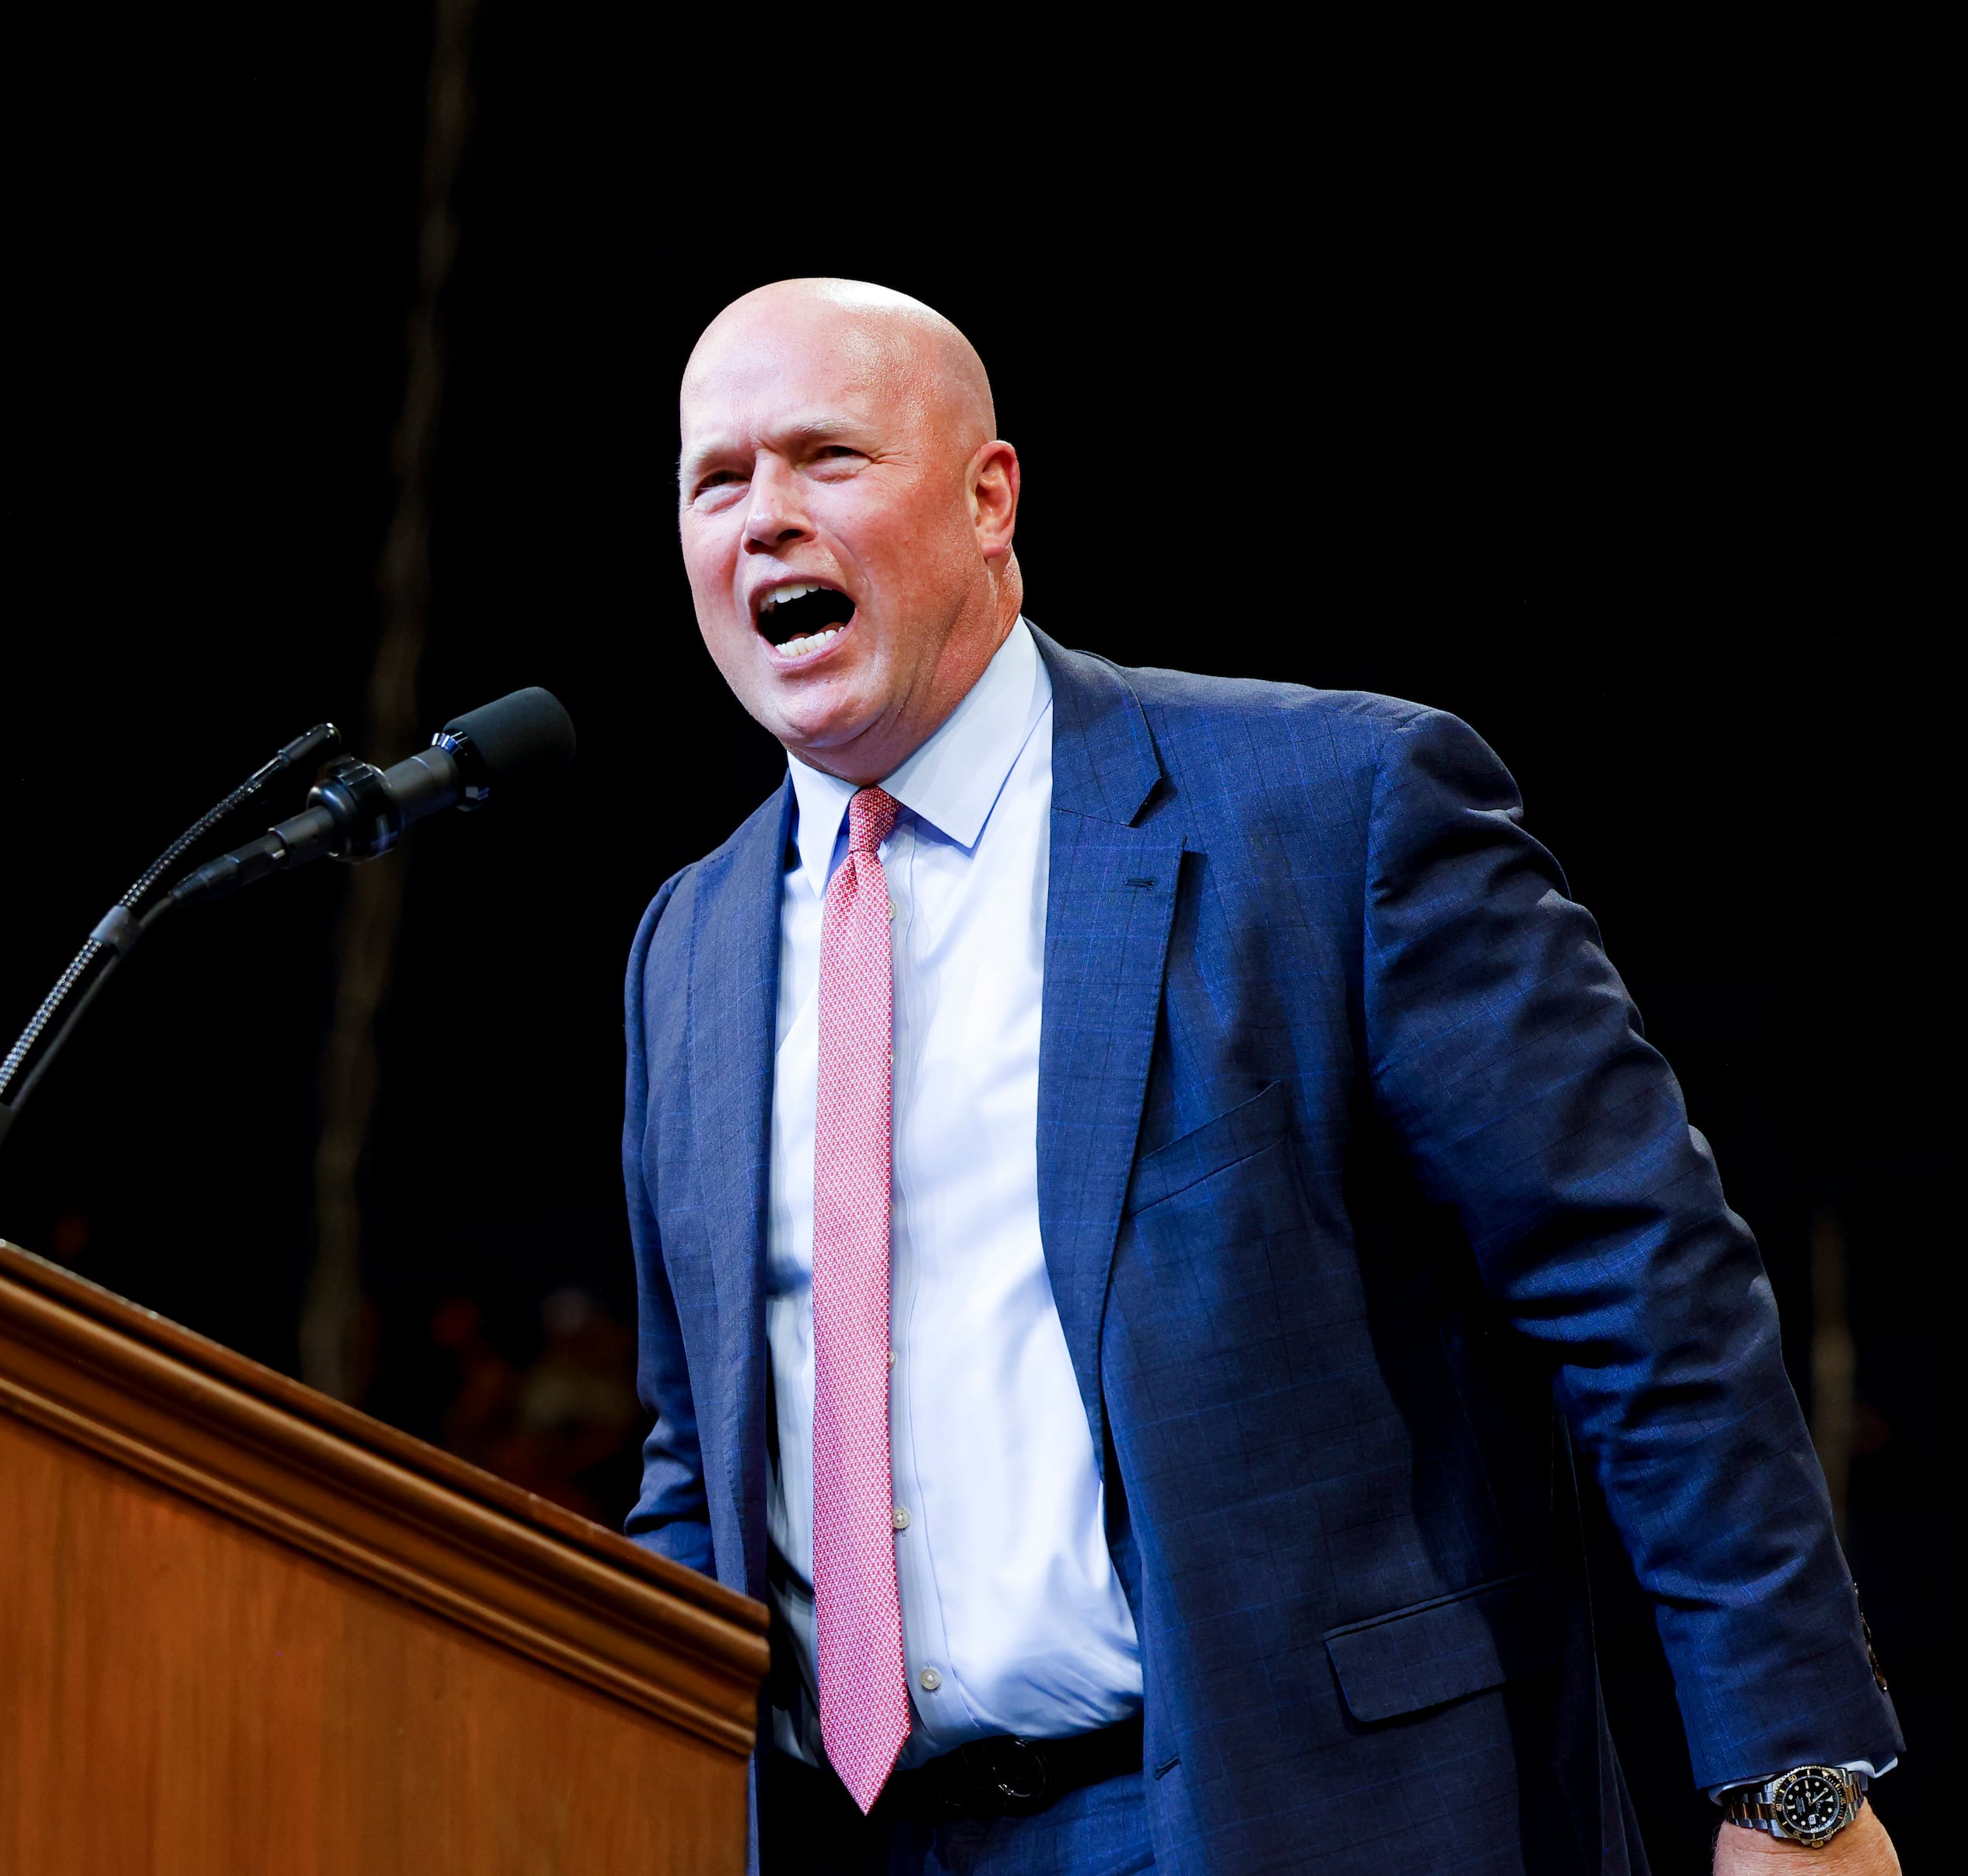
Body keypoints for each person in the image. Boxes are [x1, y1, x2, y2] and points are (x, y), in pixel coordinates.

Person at [616, 281, 1901, 1875]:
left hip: (1278, 1816)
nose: (765, 519)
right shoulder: (693, 942)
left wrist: (1793, 1780)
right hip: (853, 1839)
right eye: (716, 478)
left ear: (988, 495)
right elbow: (701, 1453)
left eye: (826, 457)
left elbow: (1647, 1288)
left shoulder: (1335, 810)